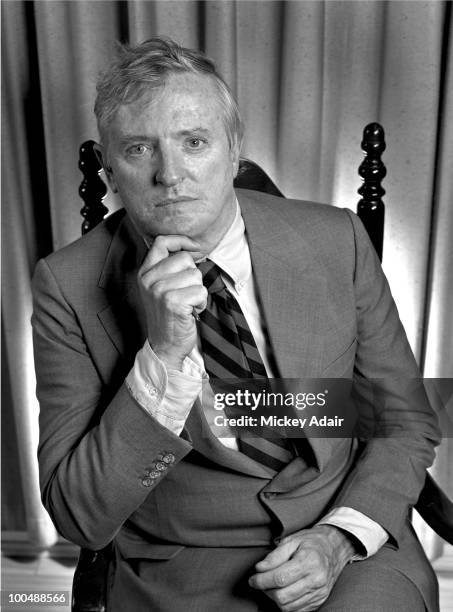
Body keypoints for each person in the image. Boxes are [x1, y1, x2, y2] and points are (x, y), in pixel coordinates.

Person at [32, 37, 440, 612]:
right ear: (110, 169)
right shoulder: (66, 286)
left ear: (233, 147)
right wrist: (162, 356)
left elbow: (402, 419)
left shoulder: (337, 241)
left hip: (346, 546)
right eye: (139, 149)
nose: (169, 175)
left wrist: (341, 537)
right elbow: (81, 516)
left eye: (193, 142)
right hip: (182, 571)